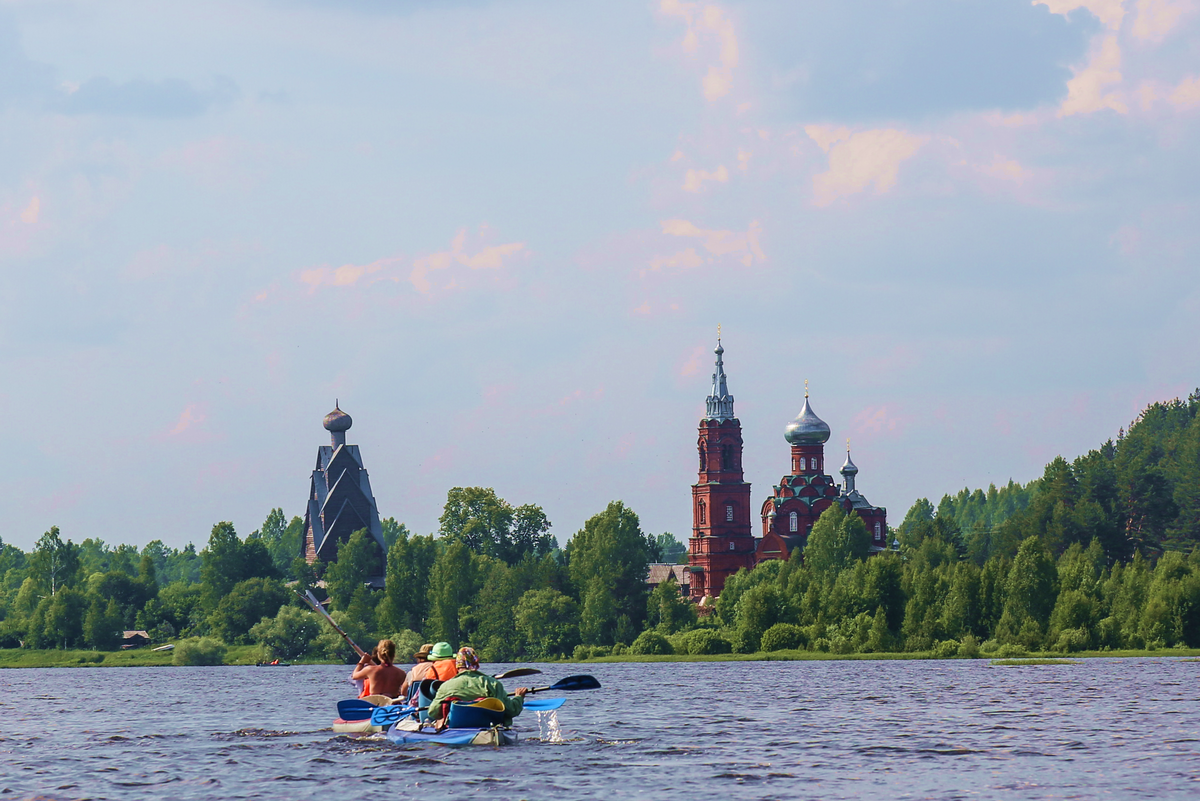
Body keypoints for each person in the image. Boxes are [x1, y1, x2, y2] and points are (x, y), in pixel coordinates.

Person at [426, 647, 528, 730]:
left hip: (455, 729)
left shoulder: (445, 686)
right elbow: (511, 710)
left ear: (457, 665)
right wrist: (519, 697)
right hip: (488, 729)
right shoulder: (493, 684)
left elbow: (432, 712)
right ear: (476, 664)